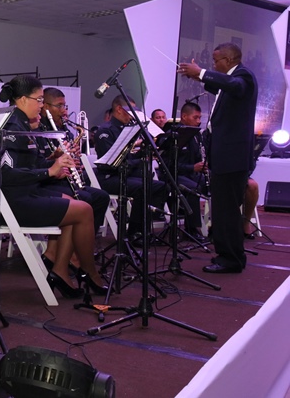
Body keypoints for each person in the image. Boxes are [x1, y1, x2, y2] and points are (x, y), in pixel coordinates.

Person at [0, 75, 107, 299]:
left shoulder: (21, 123)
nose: (41, 105)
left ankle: (60, 269)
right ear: (22, 99)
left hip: (26, 193)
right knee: (84, 210)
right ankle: (89, 272)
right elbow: (6, 175)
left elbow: (29, 164)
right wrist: (49, 171)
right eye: (38, 100)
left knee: (76, 204)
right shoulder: (12, 126)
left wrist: (54, 164)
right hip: (14, 202)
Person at [178, 42, 258, 273]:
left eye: (216, 61)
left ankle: (231, 259)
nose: (213, 65)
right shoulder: (231, 82)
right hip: (225, 157)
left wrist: (202, 72)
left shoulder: (244, 77)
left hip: (232, 158)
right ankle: (225, 254)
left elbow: (233, 85)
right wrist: (198, 77)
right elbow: (222, 87)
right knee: (222, 208)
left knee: (228, 210)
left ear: (229, 60)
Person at [94, 95, 167, 241]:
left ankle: (144, 227)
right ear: (119, 109)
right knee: (143, 187)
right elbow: (112, 163)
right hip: (110, 177)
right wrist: (140, 160)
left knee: (161, 186)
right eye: (131, 110)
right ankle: (135, 233)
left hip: (126, 174)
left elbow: (128, 158)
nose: (134, 114)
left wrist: (144, 152)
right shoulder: (105, 131)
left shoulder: (128, 128)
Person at [41, 88, 110, 233]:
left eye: (64, 106)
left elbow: (71, 158)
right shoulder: (39, 130)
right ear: (46, 107)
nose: (64, 111)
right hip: (48, 182)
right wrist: (56, 157)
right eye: (59, 106)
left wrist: (75, 158)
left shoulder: (64, 130)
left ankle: (87, 238)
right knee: (85, 199)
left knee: (102, 197)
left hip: (65, 180)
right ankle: (76, 240)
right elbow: (39, 161)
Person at [160, 102, 208, 241]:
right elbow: (167, 164)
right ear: (184, 116)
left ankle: (218, 227)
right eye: (195, 117)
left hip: (191, 174)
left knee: (219, 183)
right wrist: (192, 168)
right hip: (174, 175)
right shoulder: (173, 135)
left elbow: (198, 158)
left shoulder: (196, 135)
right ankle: (191, 230)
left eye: (200, 118)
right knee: (193, 188)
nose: (198, 121)